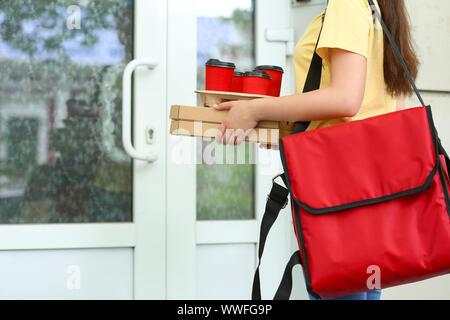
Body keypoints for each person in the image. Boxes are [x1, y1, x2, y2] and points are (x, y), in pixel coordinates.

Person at [214, 0, 419, 300]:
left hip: (337, 190)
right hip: (370, 190)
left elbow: (346, 98)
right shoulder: (378, 8)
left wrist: (256, 108)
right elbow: (386, 110)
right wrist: (299, 133)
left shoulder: (347, 4)